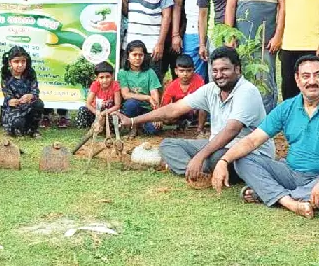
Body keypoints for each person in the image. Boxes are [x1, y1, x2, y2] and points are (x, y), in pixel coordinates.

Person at [115, 47, 274, 184]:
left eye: (225, 69)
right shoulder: (211, 89)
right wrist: (132, 120)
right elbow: (174, 109)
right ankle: (200, 172)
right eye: (215, 71)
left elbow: (232, 130)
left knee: (215, 156)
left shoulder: (247, 91)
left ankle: (200, 167)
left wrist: (200, 156)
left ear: (237, 69)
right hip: (218, 146)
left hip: (251, 153)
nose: (219, 75)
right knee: (168, 145)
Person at [212, 55, 319, 219]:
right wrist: (223, 161)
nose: (312, 81)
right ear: (297, 79)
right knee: (241, 159)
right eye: (306, 76)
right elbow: (252, 140)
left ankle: (267, 193)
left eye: (317, 75)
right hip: (289, 173)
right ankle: (289, 201)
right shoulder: (287, 108)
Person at [225, 0, 287, 114]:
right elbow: (231, 6)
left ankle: (267, 119)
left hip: (267, 40)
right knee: (242, 76)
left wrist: (278, 36)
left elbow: (283, 7)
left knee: (265, 77)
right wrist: (230, 35)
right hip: (242, 39)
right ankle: (245, 116)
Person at [121, 0, 173, 84]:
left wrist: (160, 44)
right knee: (129, 84)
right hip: (130, 44)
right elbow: (127, 13)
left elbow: (167, 16)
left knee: (152, 85)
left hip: (152, 46)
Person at [30, 0, 70, 128]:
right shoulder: (33, 0)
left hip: (59, 42)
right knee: (43, 76)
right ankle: (45, 114)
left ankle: (62, 115)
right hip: (40, 43)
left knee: (60, 75)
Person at [280, 0, 319, 100]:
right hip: (289, 46)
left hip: (313, 45)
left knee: (314, 91)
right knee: (289, 90)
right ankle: (293, 126)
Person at [118, 40, 162, 136]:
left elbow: (154, 94)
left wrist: (157, 114)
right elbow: (126, 95)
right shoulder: (123, 73)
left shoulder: (150, 72)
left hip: (147, 108)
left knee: (154, 129)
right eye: (134, 55)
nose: (137, 58)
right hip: (131, 107)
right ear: (128, 56)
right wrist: (147, 97)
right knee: (131, 104)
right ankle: (133, 125)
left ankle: (140, 124)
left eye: (140, 55)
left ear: (144, 56)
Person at [0, 46, 45, 137]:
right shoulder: (6, 77)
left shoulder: (30, 74)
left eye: (23, 61)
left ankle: (33, 130)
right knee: (18, 123)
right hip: (13, 110)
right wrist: (11, 101)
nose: (20, 65)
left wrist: (31, 96)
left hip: (28, 107)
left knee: (39, 104)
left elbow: (35, 92)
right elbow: (7, 96)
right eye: (16, 62)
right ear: (10, 63)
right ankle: (18, 128)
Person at [161, 54, 206, 134]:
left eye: (189, 71)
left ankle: (200, 128)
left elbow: (204, 99)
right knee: (166, 119)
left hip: (194, 111)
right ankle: (181, 124)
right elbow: (165, 105)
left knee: (203, 106)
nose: (185, 74)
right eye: (181, 71)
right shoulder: (172, 86)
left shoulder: (199, 81)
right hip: (179, 111)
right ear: (176, 71)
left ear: (193, 70)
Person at [76, 61, 121, 128]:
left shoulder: (115, 85)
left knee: (115, 117)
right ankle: (87, 127)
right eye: (101, 77)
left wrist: (103, 113)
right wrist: (96, 112)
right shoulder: (95, 85)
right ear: (97, 78)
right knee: (82, 110)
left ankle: (105, 128)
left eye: (107, 77)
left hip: (108, 112)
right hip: (95, 111)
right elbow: (88, 103)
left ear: (112, 76)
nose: (105, 80)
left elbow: (117, 105)